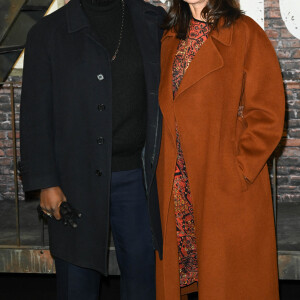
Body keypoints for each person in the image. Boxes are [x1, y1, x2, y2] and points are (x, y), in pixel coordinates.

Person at [19, 0, 165, 299]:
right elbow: (35, 114)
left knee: (146, 281)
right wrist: (46, 182)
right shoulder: (47, 32)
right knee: (77, 280)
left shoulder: (153, 20)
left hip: (141, 179)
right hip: (74, 182)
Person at [155, 0, 285, 299]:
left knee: (229, 281)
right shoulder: (170, 35)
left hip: (223, 182)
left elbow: (268, 114)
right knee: (182, 276)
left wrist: (238, 168)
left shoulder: (244, 33)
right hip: (176, 179)